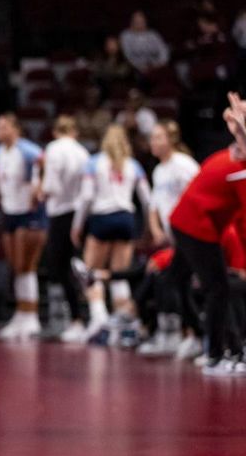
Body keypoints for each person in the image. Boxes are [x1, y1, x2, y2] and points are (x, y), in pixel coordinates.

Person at [166, 93, 246, 375]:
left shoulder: (233, 157)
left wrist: (238, 123)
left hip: (185, 222)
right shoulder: (239, 172)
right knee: (218, 289)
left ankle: (205, 340)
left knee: (175, 280)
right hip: (196, 227)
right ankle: (217, 355)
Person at [70, 125, 152, 346]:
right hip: (126, 219)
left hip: (102, 218)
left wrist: (77, 225)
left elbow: (86, 197)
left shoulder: (94, 163)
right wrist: (148, 227)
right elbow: (147, 199)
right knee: (119, 275)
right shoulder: (133, 165)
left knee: (90, 273)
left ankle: (99, 319)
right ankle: (121, 327)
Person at [136, 120, 201, 356]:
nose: (153, 142)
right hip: (175, 238)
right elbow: (154, 205)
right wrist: (156, 230)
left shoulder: (183, 164)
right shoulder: (159, 170)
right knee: (174, 282)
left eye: (158, 137)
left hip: (191, 234)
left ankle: (194, 335)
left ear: (171, 140)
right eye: (152, 137)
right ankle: (188, 334)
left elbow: (199, 195)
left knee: (179, 282)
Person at [0, 113, 47, 342]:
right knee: (16, 266)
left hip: (29, 213)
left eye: (4, 127)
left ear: (16, 129)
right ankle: (21, 314)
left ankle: (31, 316)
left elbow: (43, 167)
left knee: (27, 265)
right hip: (10, 211)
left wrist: (38, 188)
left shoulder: (28, 150)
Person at [38, 116, 91, 340]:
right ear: (74, 131)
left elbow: (51, 185)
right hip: (80, 212)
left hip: (61, 212)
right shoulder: (83, 152)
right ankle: (87, 315)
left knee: (61, 267)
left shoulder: (53, 149)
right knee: (78, 264)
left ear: (55, 131)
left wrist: (41, 191)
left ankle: (75, 319)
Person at [119, 10, 170, 75]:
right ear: (131, 22)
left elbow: (163, 50)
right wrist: (140, 67)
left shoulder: (153, 34)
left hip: (156, 66)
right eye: (136, 21)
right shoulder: (126, 35)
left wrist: (160, 63)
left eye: (141, 21)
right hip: (136, 68)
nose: (139, 24)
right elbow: (127, 55)